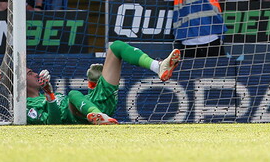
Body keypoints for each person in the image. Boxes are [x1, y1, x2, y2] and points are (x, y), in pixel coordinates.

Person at [28, 40, 182, 125]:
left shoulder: (44, 93)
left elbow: (83, 102)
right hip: (84, 116)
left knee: (116, 47)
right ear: (20, 82)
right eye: (29, 73)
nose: (35, 73)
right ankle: (99, 116)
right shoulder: (27, 107)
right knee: (73, 93)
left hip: (95, 105)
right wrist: (49, 95)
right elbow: (53, 123)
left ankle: (158, 66)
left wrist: (92, 84)